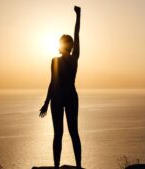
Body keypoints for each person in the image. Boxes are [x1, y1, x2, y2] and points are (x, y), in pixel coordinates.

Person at [39, 6, 82, 169]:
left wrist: (46, 102)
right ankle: (78, 166)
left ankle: (57, 166)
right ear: (70, 46)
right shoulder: (74, 59)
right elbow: (77, 34)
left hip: (57, 98)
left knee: (58, 134)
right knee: (73, 133)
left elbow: (52, 83)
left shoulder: (55, 61)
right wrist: (78, 15)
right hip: (70, 96)